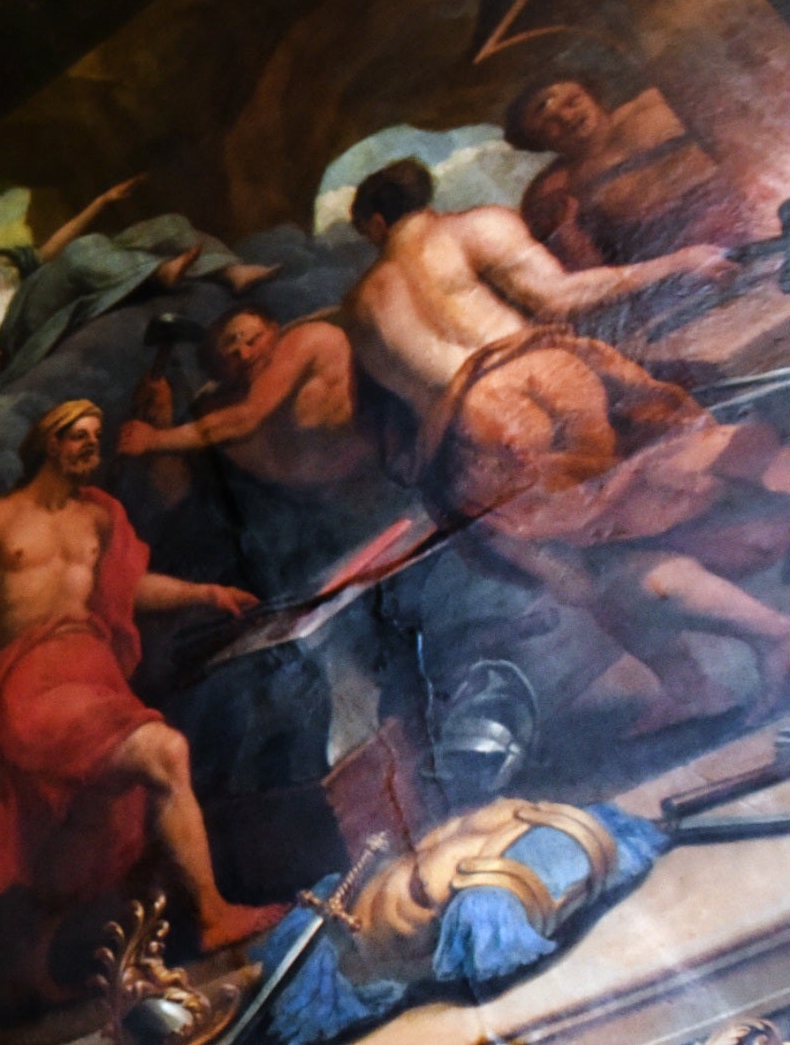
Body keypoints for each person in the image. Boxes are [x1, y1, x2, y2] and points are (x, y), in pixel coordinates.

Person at [338, 158, 790, 731]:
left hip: (473, 429)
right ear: (425, 197)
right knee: (698, 451)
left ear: (373, 226)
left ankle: (706, 675)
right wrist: (677, 263)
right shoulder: (473, 227)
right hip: (545, 369)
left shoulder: (358, 306)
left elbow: (402, 423)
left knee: (592, 566)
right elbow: (559, 296)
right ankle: (724, 666)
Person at [0, 399, 280, 957]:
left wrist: (206, 594)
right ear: (50, 442)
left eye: (98, 434)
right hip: (28, 690)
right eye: (79, 435)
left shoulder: (97, 516)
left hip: (92, 681)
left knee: (79, 843)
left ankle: (44, 962)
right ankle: (213, 914)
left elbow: (126, 588)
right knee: (165, 754)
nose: (92, 444)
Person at [0, 178, 276, 399]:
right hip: (21, 329)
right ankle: (159, 274)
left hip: (42, 289)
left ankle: (231, 272)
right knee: (82, 254)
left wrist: (100, 202)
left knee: (166, 228)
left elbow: (49, 251)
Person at [506, 73, 764, 272]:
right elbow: (585, 268)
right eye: (549, 123)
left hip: (743, 219)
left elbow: (740, 140)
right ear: (536, 141)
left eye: (572, 101)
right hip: (671, 265)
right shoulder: (553, 189)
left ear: (592, 94)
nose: (567, 117)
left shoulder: (657, 106)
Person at [116, 305, 371, 488]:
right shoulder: (217, 409)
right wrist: (161, 417)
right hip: (289, 505)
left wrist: (155, 440)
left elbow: (246, 418)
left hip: (361, 478)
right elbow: (175, 493)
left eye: (251, 340)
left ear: (273, 330)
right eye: (232, 356)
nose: (246, 355)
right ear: (219, 370)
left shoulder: (305, 339)